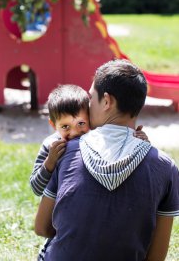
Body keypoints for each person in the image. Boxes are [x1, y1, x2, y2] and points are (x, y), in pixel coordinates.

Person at [34, 59, 179, 261]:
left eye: (91, 97)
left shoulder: (65, 150)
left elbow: (41, 227)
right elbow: (156, 257)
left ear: (107, 101)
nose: (87, 104)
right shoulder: (166, 168)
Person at [31, 83, 148, 260]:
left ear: (90, 119)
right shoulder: (50, 145)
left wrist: (138, 141)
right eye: (65, 127)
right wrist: (50, 163)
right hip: (58, 216)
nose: (74, 132)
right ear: (53, 124)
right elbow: (35, 187)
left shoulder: (96, 140)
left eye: (81, 123)